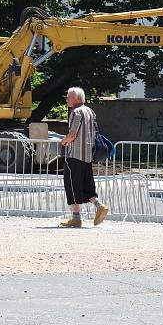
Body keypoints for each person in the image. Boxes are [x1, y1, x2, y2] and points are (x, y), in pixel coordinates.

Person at [59, 87, 108, 227]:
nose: (67, 99)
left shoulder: (76, 112)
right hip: (87, 156)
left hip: (74, 155)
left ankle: (76, 218)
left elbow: (73, 134)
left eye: (69, 97)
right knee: (86, 185)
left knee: (72, 186)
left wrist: (64, 141)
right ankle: (99, 206)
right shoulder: (90, 111)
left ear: (77, 99)